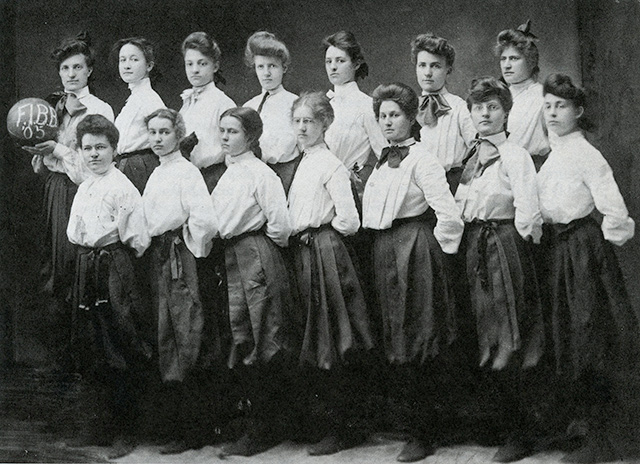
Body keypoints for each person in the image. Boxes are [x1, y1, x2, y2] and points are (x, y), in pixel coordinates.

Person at [537, 74, 638, 463]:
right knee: (567, 339)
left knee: (590, 338)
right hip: (560, 249)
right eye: (547, 106)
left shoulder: (586, 154)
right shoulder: (554, 154)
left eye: (561, 106)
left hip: (583, 251)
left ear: (578, 111)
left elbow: (615, 212)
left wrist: (593, 247)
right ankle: (581, 432)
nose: (553, 113)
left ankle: (603, 442)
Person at [362, 83, 464, 462]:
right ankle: (412, 425)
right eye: (383, 116)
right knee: (397, 334)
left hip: (416, 248)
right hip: (385, 249)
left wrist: (435, 254)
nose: (388, 121)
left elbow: (448, 214)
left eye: (395, 115)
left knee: (422, 334)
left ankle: (427, 432)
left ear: (410, 119)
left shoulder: (423, 158)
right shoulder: (381, 159)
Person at [455, 77, 545, 462]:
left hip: (505, 244)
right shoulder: (473, 158)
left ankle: (520, 433)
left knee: (512, 331)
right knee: (485, 333)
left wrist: (517, 249)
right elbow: (462, 204)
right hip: (475, 244)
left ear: (505, 111)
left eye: (492, 107)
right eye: (478, 108)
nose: (485, 114)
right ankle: (499, 423)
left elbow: (528, 207)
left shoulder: (514, 155)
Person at [288, 92, 375, 456]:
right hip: (306, 252)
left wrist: (322, 236)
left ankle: (345, 428)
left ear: (325, 124)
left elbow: (350, 220)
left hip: (326, 251)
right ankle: (326, 424)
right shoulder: (305, 162)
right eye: (298, 121)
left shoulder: (331, 165)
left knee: (334, 337)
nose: (303, 128)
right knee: (315, 336)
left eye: (310, 121)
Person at [23, 32, 114, 371]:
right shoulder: (56, 108)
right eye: (65, 68)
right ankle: (60, 355)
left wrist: (59, 152)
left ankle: (84, 356)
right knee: (51, 268)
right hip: (54, 190)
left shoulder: (99, 109)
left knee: (72, 268)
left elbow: (91, 168)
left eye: (78, 67)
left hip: (81, 193)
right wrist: (43, 158)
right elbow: (56, 156)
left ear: (90, 71)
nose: (71, 74)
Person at [211, 107, 297, 456]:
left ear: (251, 136)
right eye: (223, 131)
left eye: (233, 131)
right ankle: (253, 425)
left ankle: (264, 429)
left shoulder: (261, 174)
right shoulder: (229, 174)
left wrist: (258, 250)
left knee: (263, 336)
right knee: (241, 336)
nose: (226, 137)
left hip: (256, 254)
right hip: (232, 255)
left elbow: (281, 224)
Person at [66, 114, 150, 459]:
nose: (94, 154)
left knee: (120, 342)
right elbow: (74, 233)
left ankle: (126, 431)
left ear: (114, 150)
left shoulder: (122, 187)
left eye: (101, 147)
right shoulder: (85, 186)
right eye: (88, 148)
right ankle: (98, 426)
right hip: (86, 265)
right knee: (91, 344)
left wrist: (116, 264)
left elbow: (139, 240)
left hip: (115, 266)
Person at [142, 108, 217, 453]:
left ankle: (196, 429)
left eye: (165, 132)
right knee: (167, 335)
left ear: (178, 134)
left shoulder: (187, 172)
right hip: (159, 256)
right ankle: (178, 426)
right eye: (153, 132)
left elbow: (204, 219)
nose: (158, 138)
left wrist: (191, 251)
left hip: (180, 257)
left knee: (187, 333)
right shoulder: (157, 174)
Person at [322, 30, 386, 197]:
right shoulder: (324, 104)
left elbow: (385, 155)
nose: (333, 67)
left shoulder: (366, 106)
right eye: (328, 61)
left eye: (340, 61)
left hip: (348, 190)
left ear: (356, 64)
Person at [411, 33, 476, 193]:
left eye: (435, 66)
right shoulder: (409, 108)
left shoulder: (459, 107)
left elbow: (476, 148)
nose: (427, 72)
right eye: (422, 65)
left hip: (450, 185)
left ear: (448, 70)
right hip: (415, 187)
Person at [243, 31, 299, 194]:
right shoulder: (249, 106)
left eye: (272, 66)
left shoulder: (295, 103)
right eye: (261, 66)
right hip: (253, 176)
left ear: (284, 68)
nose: (266, 73)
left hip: (284, 175)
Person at [179, 31, 235, 193]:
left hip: (212, 178)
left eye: (202, 63)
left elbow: (231, 150)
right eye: (189, 64)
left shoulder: (222, 103)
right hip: (188, 178)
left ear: (215, 66)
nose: (195, 70)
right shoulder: (187, 102)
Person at [112, 37, 165, 194]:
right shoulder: (134, 98)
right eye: (123, 60)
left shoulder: (150, 99)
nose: (127, 65)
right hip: (126, 166)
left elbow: (165, 136)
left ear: (149, 65)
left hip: (141, 168)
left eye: (134, 59)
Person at [496, 20, 549, 166]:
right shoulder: (499, 97)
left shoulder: (543, 97)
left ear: (531, 62)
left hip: (533, 169)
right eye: (503, 59)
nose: (506, 65)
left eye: (514, 58)